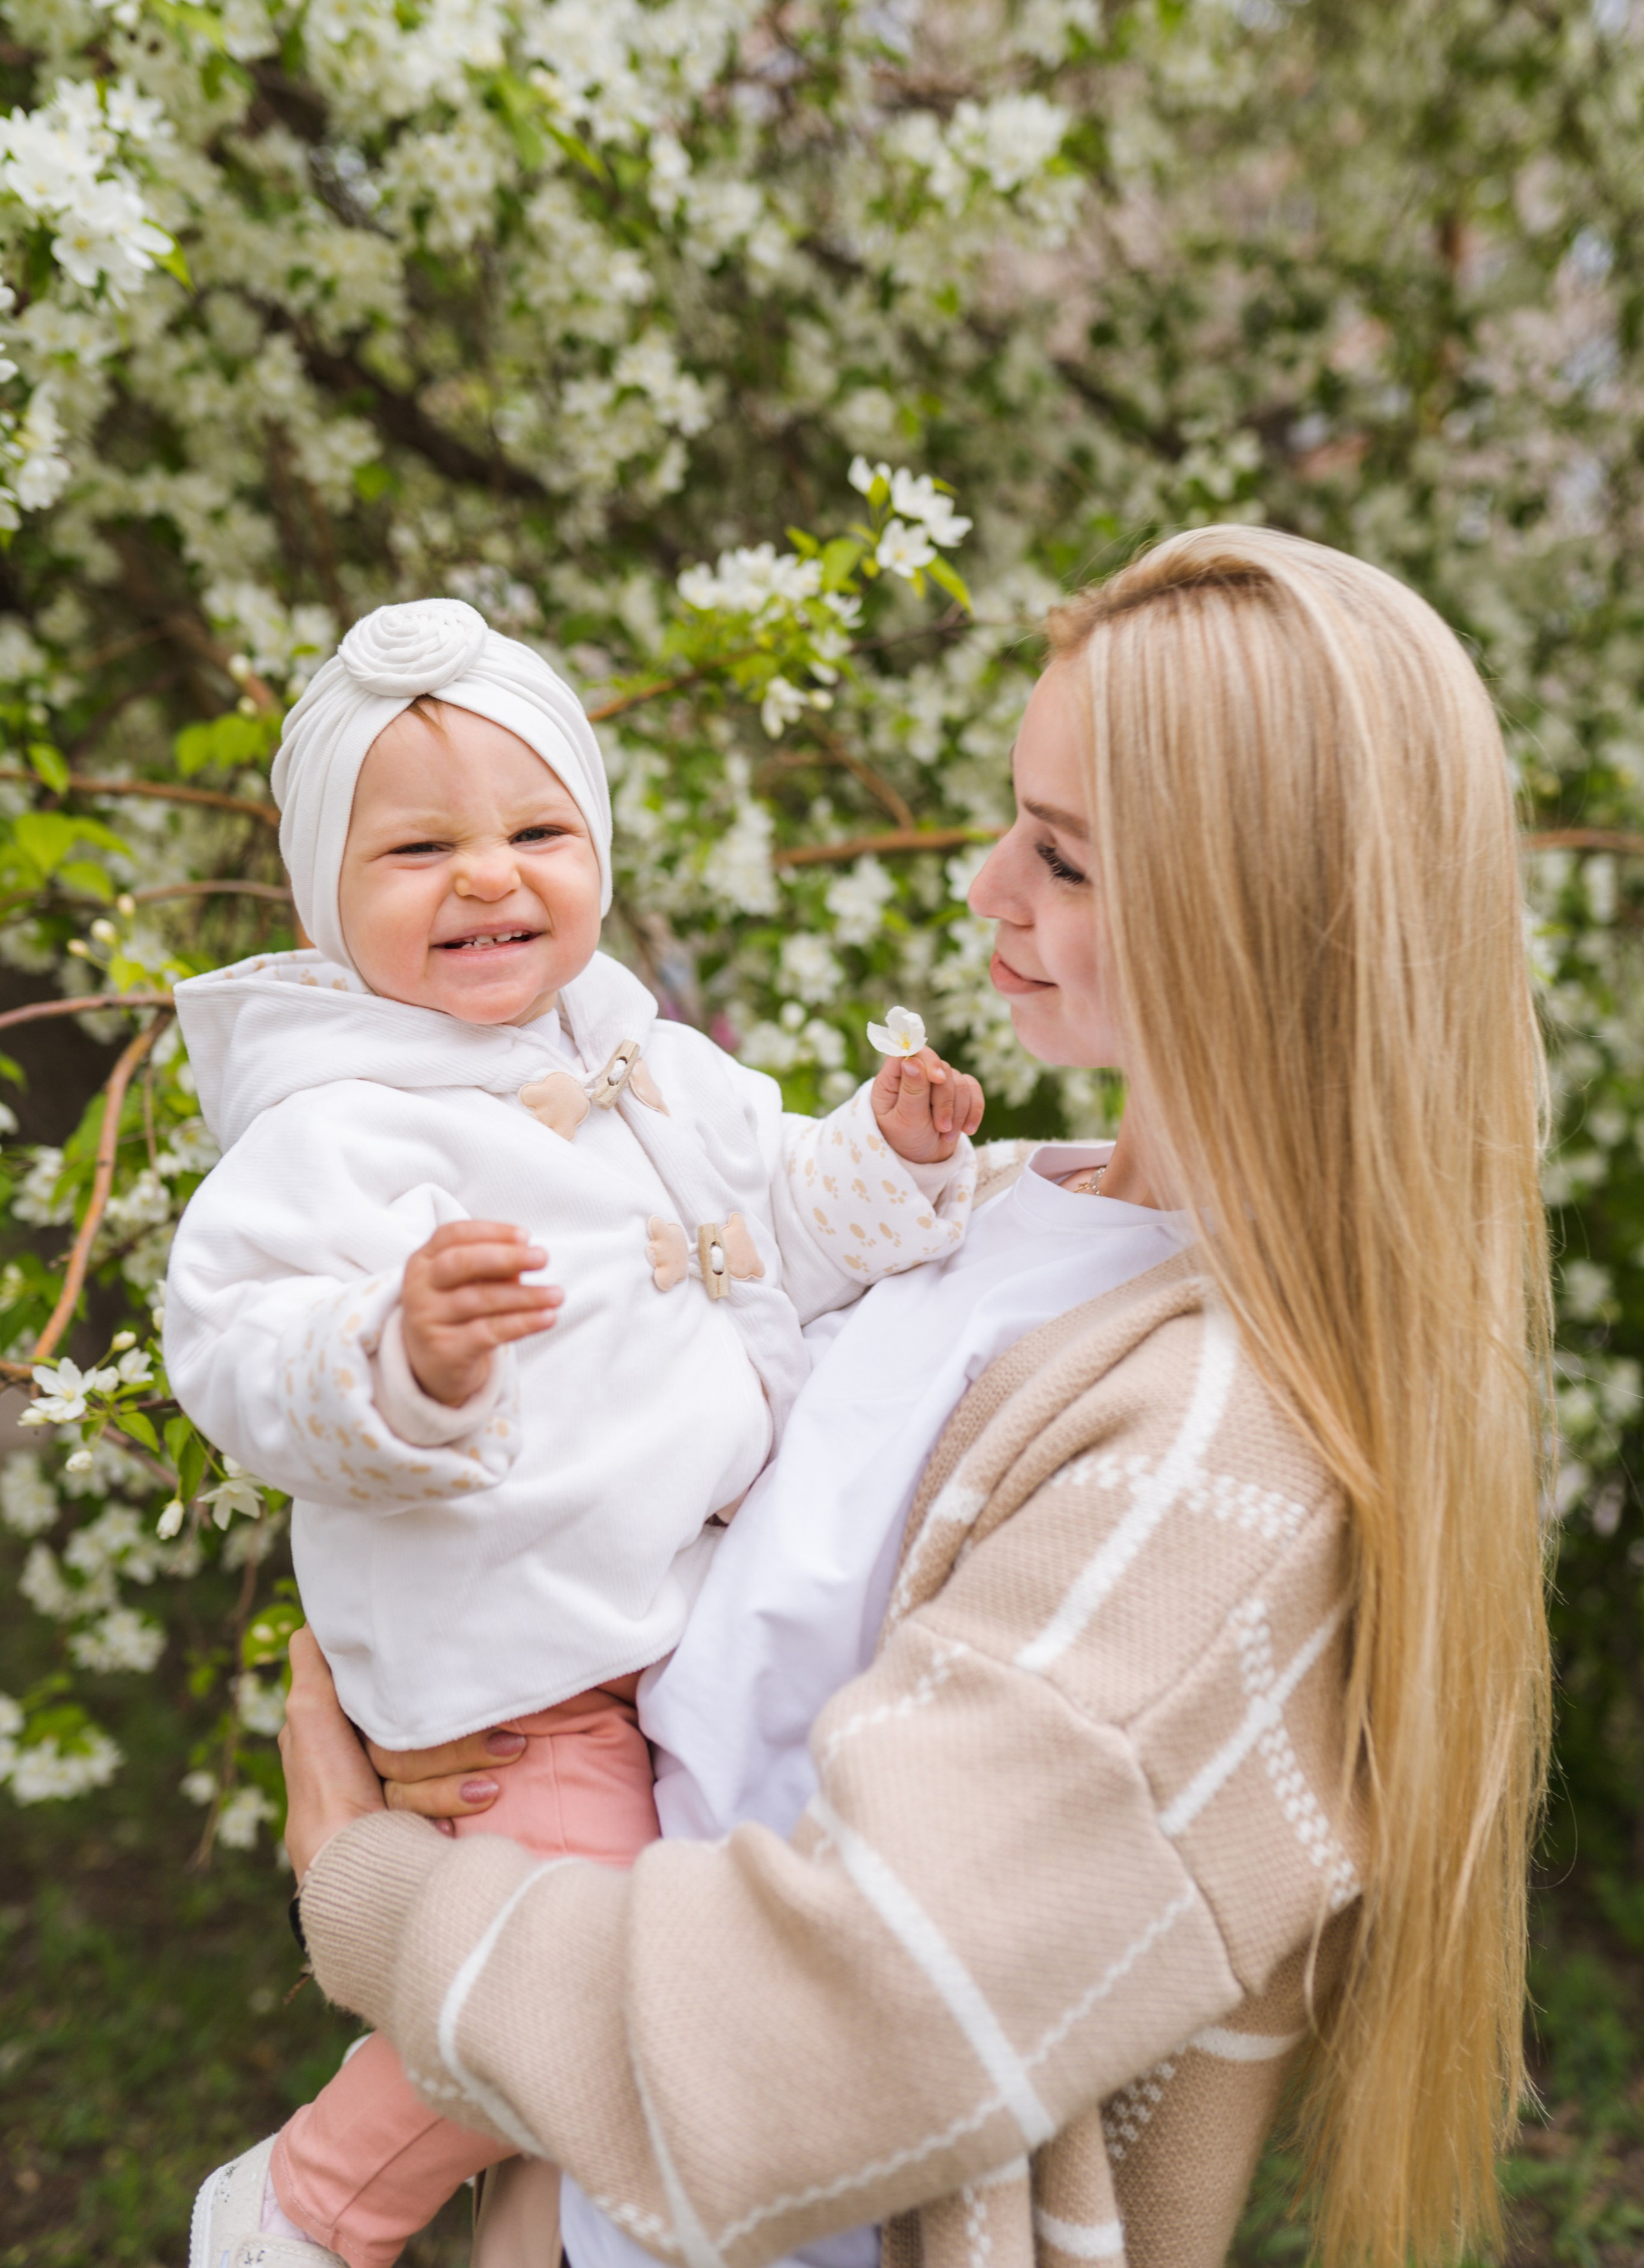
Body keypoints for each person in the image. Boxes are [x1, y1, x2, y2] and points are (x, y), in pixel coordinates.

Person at [277, 527, 1553, 2268]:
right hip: (596, 2197)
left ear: (1258, 916)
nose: (985, 891)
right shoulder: (998, 1210)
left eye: (1069, 860)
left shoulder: (1219, 1457)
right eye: (1016, 821)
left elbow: (828, 2038)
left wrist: (378, 1894)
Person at [170, 596, 983, 2268]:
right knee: (580, 1956)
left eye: (538, 829)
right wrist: (402, 1356)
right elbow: (233, 1343)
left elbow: (786, 1233)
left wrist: (886, 1163)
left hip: (673, 1623)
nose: (488, 876)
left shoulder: (651, 1058)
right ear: (325, 891)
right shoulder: (327, 1128)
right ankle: (310, 2202)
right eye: (416, 851)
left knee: (681, 1969)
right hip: (516, 1671)